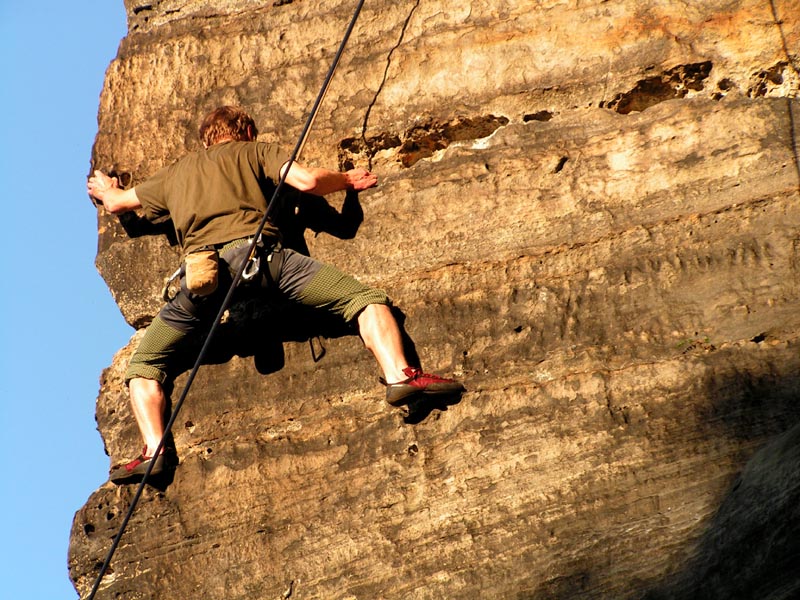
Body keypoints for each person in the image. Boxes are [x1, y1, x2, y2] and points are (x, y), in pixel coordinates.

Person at [88, 106, 463, 484]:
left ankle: (154, 451)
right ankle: (401, 376)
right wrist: (347, 181)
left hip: (201, 280)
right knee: (363, 300)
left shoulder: (176, 173)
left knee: (145, 363)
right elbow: (307, 181)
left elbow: (120, 205)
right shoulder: (255, 152)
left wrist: (105, 189)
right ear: (247, 130)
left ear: (206, 139)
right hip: (263, 262)